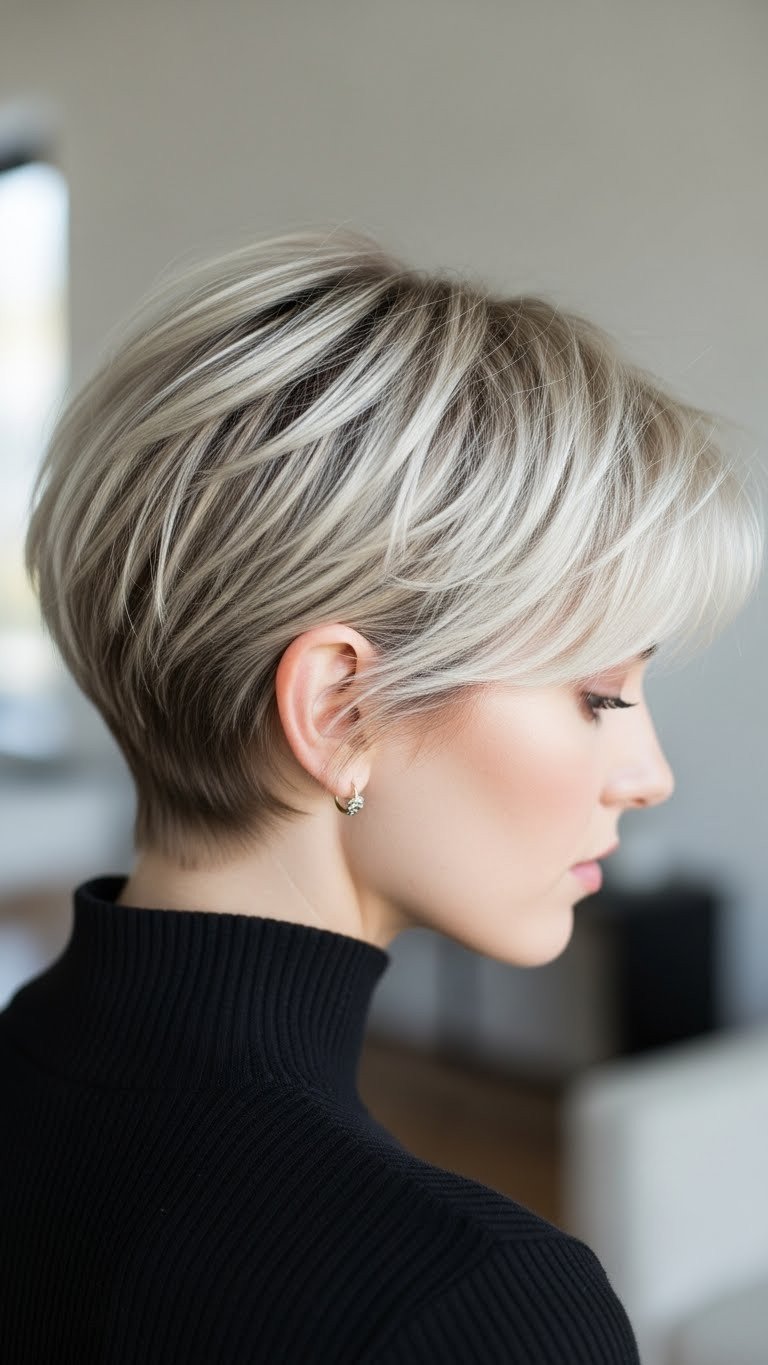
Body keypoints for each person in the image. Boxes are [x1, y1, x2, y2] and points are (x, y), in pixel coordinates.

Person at [1, 228, 762, 1363]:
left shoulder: (25, 1058)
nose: (647, 775)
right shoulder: (474, 1308)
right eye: (600, 693)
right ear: (340, 712)